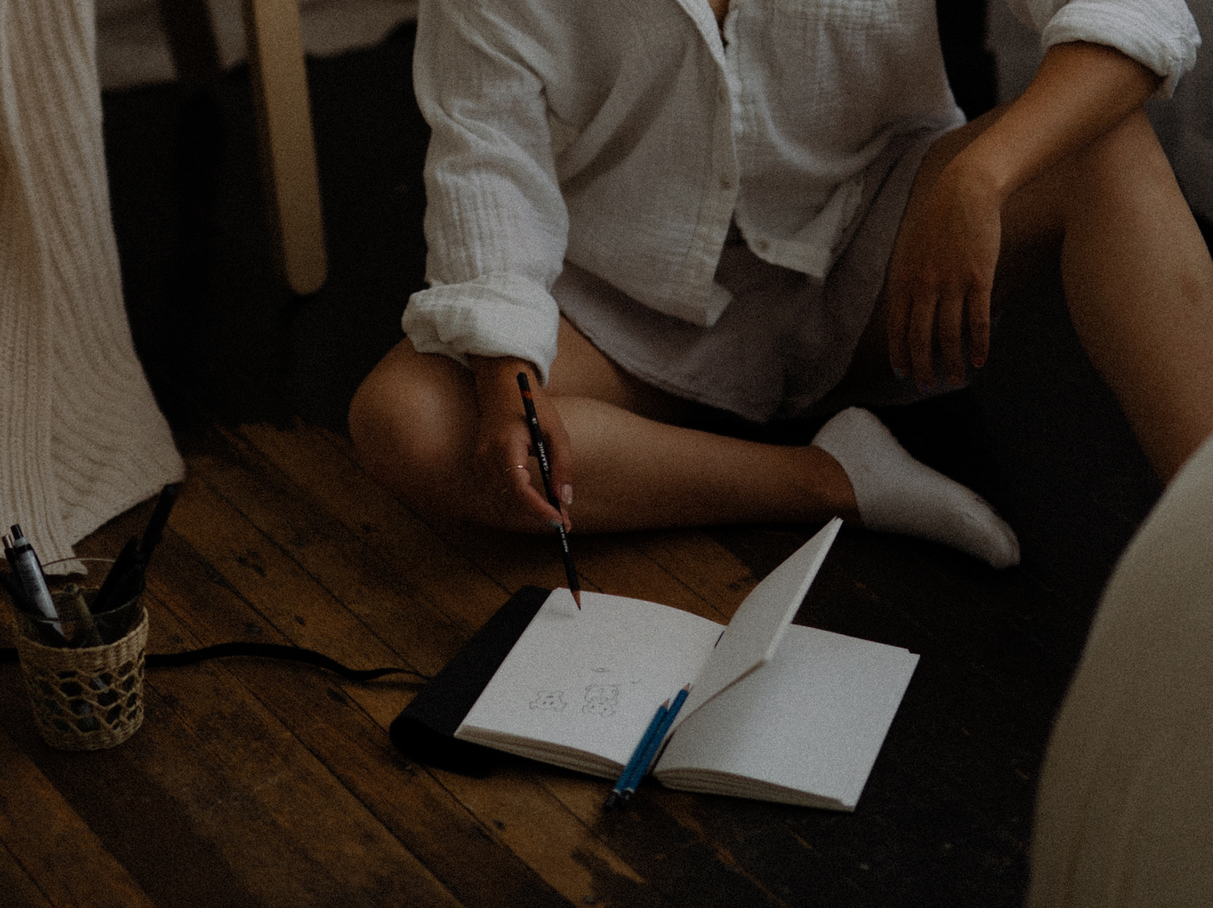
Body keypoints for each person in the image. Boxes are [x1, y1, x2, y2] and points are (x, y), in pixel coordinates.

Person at [348, 0, 1212, 568]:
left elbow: (1135, 12)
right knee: (408, 422)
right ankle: (828, 479)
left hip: (876, 261)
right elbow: (487, 164)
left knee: (1107, 147)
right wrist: (509, 384)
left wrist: (977, 177)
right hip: (621, 310)